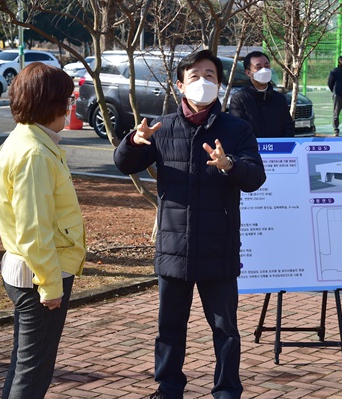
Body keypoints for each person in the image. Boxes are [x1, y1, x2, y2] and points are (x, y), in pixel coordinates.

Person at [113, 50, 266, 399]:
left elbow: (255, 177)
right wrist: (133, 142)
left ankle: (227, 391)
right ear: (179, 84)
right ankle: (168, 389)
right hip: (174, 248)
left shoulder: (236, 129)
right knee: (169, 328)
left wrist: (229, 165)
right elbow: (125, 164)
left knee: (226, 330)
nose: (203, 82)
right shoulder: (162, 127)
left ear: (220, 84)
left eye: (210, 75)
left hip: (218, 247)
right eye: (195, 76)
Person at [0, 63, 86, 399]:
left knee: (26, 366)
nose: (70, 105)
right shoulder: (35, 153)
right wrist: (50, 286)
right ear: (52, 104)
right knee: (33, 373)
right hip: (41, 275)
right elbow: (35, 229)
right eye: (66, 99)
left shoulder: (27, 140)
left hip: (32, 270)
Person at [229, 51, 295, 138]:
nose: (264, 70)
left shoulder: (279, 99)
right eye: (258, 67)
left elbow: (288, 129)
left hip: (278, 149)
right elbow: (238, 130)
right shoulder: (239, 99)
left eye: (267, 66)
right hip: (251, 149)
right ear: (248, 72)